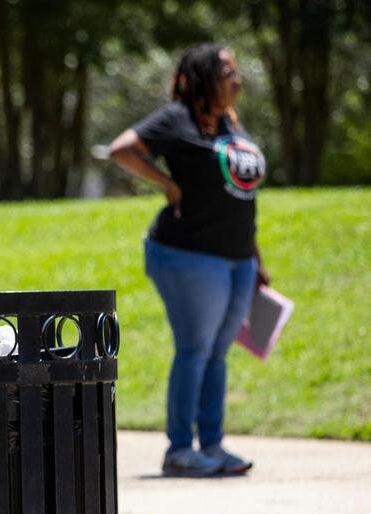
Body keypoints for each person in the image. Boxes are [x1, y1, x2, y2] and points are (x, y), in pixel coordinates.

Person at [109, 44, 269, 477]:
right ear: (203, 78)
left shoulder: (229, 123)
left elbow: (241, 196)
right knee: (195, 350)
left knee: (217, 354)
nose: (238, 80)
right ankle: (180, 450)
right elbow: (122, 149)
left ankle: (212, 446)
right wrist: (167, 184)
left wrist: (256, 258)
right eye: (228, 73)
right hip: (188, 254)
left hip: (237, 258)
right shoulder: (176, 117)